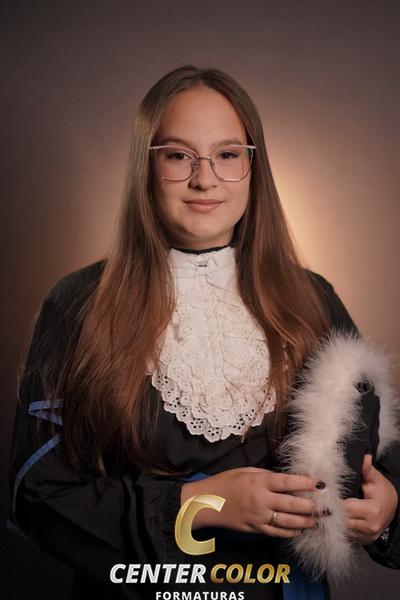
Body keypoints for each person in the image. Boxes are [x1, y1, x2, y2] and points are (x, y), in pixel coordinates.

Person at [7, 64, 400, 600]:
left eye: (227, 154)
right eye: (178, 156)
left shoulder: (311, 299)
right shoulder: (79, 305)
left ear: (254, 167)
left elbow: (380, 452)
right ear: (146, 167)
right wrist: (201, 504)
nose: (205, 178)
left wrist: (387, 505)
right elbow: (37, 496)